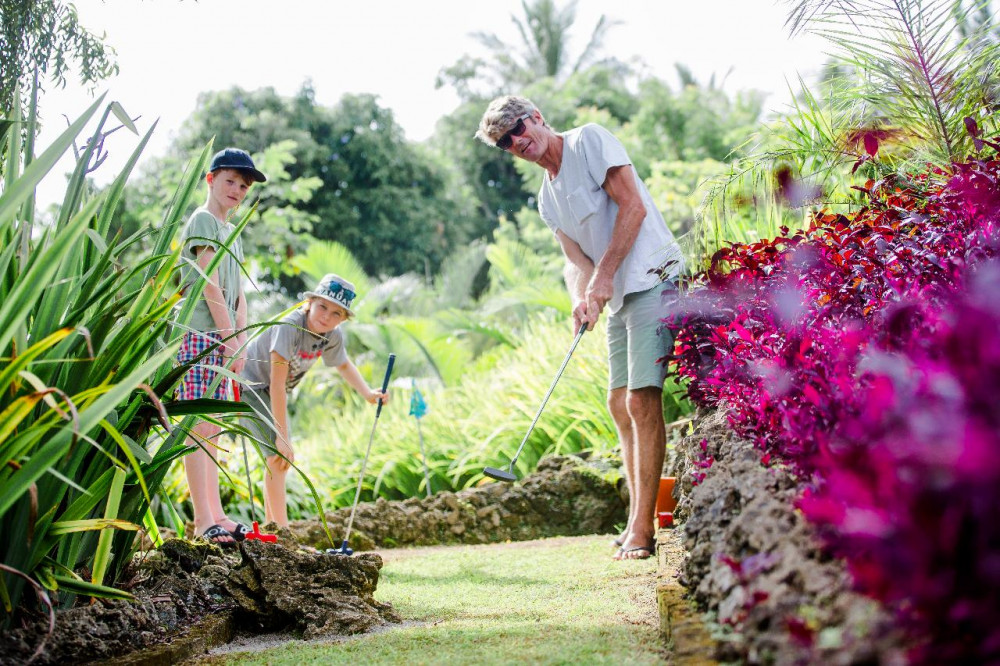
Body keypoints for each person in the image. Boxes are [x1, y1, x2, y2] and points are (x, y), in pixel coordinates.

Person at [476, 96, 685, 560]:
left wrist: (604, 276)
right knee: (617, 402)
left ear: (537, 118)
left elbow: (633, 208)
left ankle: (643, 530)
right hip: (618, 296)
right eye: (506, 142)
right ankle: (636, 518)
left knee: (640, 398)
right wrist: (580, 296)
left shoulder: (589, 140)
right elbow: (575, 261)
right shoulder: (546, 197)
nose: (517, 142)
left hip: (652, 276)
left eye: (518, 129)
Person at [239, 274, 390, 527]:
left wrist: (367, 394)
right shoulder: (290, 327)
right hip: (250, 385)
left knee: (278, 459)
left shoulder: (331, 335)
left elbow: (342, 363)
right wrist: (282, 436)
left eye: (336, 314)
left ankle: (273, 530)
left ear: (343, 319)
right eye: (323, 307)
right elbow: (276, 384)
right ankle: (282, 533)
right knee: (279, 456)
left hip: (272, 391)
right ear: (310, 302)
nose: (326, 317)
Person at [175, 147, 266, 547]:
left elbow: (238, 293)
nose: (237, 190)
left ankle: (217, 515)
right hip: (198, 335)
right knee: (198, 424)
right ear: (211, 179)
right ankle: (201, 521)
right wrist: (228, 335)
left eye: (243, 185)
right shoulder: (202, 220)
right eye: (230, 181)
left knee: (213, 425)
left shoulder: (232, 231)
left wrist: (241, 338)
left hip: (225, 338)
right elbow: (209, 282)